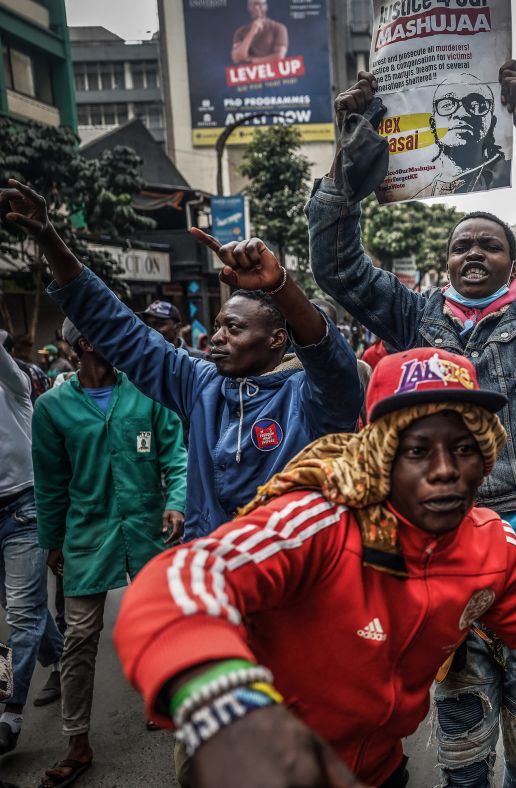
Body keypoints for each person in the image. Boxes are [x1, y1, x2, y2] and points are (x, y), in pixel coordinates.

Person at [311, 62, 516, 787]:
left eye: (489, 244)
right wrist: (355, 142)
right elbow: (337, 264)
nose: (472, 251)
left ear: (512, 262)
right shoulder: (416, 315)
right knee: (461, 717)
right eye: (460, 245)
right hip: (438, 555)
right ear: (445, 262)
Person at [113, 348, 516, 788]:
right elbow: (180, 582)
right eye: (418, 451)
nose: (445, 469)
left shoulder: (491, 545)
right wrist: (228, 706)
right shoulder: (322, 520)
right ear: (381, 458)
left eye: (464, 449)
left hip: (379, 770)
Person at [0, 179, 363, 540]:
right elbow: (119, 329)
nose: (217, 336)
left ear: (276, 339)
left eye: (234, 328)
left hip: (294, 576)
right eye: (219, 325)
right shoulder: (203, 383)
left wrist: (279, 284)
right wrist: (48, 237)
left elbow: (331, 360)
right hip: (210, 575)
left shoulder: (310, 396)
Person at [32, 318, 186, 787]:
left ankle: (160, 704)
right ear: (86, 344)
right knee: (79, 636)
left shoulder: (145, 392)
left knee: (160, 625)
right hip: (86, 535)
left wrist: (177, 503)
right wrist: (52, 541)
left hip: (147, 528)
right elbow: (51, 482)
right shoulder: (52, 407)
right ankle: (76, 741)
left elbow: (175, 455)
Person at [0, 328, 64, 757]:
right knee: (21, 609)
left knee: (21, 615)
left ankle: (8, 713)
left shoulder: (14, 381)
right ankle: (66, 658)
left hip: (23, 508)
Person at [414, 74, 511, 198]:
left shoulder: (506, 177)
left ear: (492, 122)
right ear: (433, 124)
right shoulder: (421, 194)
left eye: (476, 105)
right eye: (447, 105)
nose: (462, 114)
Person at [140, 300, 206, 360]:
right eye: (147, 324)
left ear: (177, 328)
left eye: (159, 324)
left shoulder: (200, 358)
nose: (151, 329)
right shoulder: (141, 359)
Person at [231, 0, 288, 64]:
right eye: (253, 5)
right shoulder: (240, 32)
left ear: (266, 6)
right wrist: (252, 32)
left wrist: (251, 60)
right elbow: (237, 58)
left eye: (260, 4)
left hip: (271, 72)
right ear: (248, 7)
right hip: (248, 73)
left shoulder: (278, 28)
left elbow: (279, 57)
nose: (257, 8)